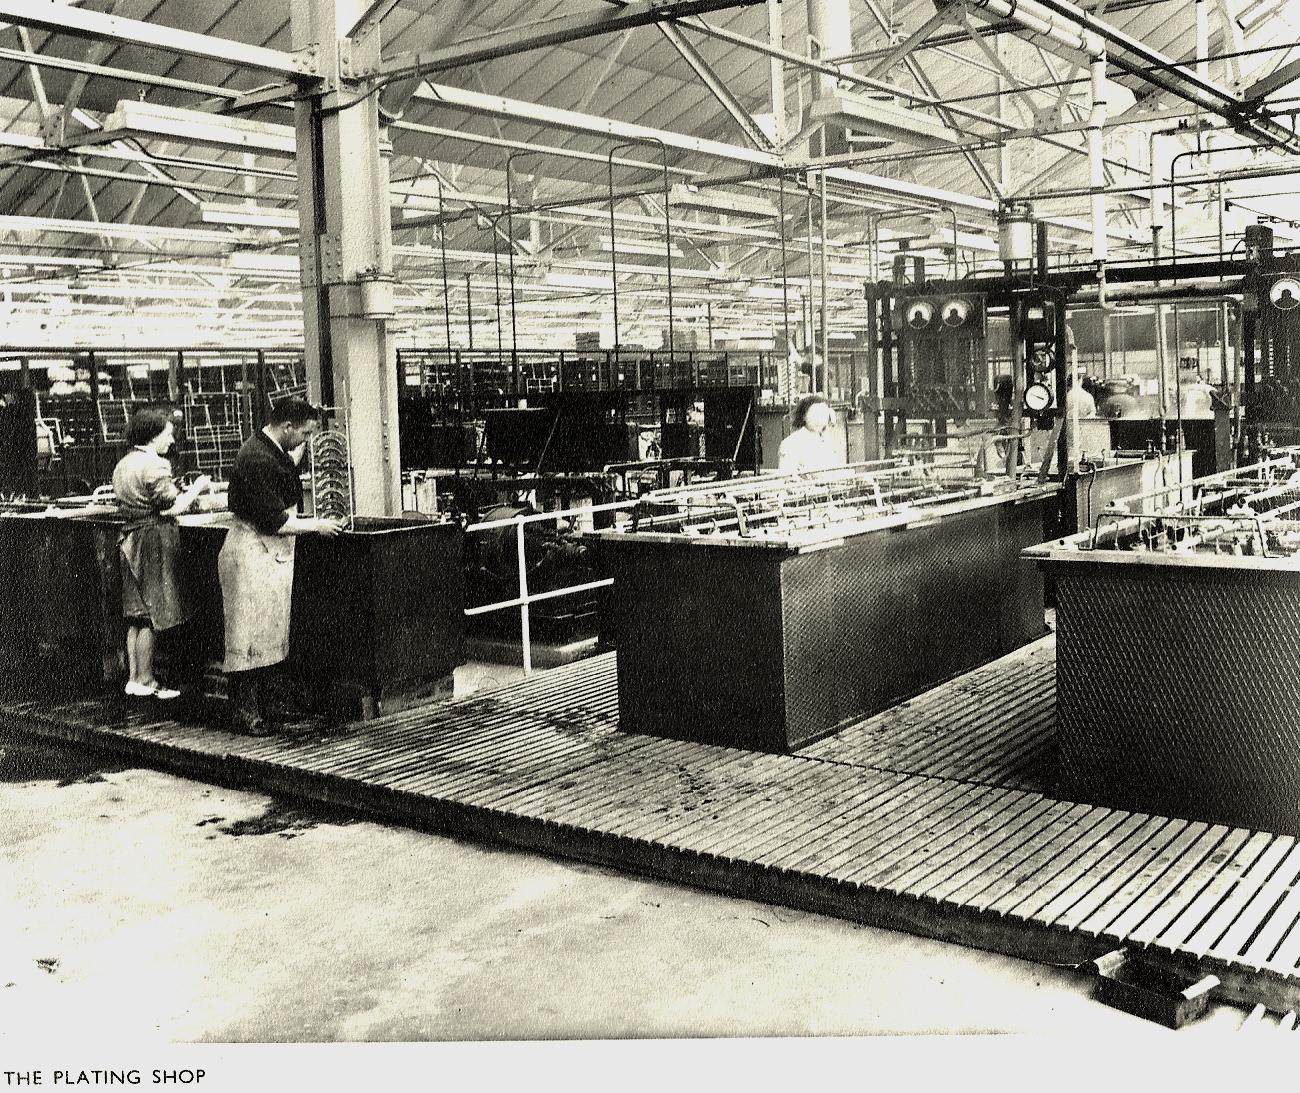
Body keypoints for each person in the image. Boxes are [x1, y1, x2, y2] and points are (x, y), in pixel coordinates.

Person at [218, 398, 345, 735]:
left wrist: (312, 418)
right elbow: (273, 520)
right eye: (304, 433)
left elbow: (288, 464)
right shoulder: (257, 458)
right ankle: (245, 713)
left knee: (269, 634)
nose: (305, 441)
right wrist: (316, 526)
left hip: (267, 554)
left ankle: (267, 707)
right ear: (287, 427)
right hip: (251, 553)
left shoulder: (269, 447)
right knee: (246, 637)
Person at [112, 407, 211, 699]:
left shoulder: (124, 463)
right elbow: (172, 507)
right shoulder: (155, 465)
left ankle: (134, 678)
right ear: (153, 435)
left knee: (136, 614)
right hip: (153, 542)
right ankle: (147, 679)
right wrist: (197, 488)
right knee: (154, 612)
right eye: (167, 434)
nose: (171, 440)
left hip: (131, 540)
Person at [778, 393, 840, 474]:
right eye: (814, 415)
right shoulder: (791, 443)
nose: (819, 420)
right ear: (803, 416)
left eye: (823, 415)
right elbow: (787, 474)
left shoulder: (827, 440)